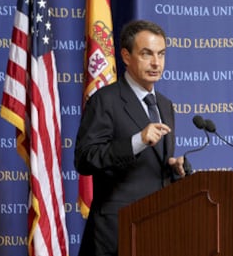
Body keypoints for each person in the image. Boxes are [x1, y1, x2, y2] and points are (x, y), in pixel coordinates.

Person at [74, 20, 186, 256]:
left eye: (161, 54)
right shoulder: (105, 100)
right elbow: (85, 159)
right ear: (126, 56)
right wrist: (137, 141)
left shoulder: (165, 105)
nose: (156, 62)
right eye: (147, 54)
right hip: (116, 232)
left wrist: (175, 168)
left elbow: (154, 167)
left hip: (159, 228)